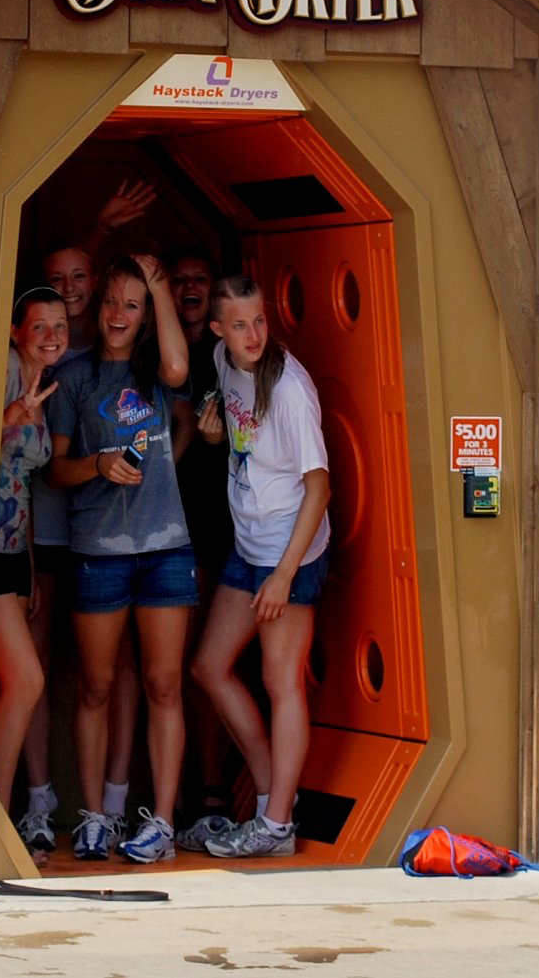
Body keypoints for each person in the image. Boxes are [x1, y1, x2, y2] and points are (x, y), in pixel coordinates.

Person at [47, 254, 194, 864]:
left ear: (147, 314)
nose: (117, 314)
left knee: (164, 684)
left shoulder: (155, 371)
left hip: (166, 546)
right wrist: (99, 464)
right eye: (111, 301)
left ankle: (162, 823)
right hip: (98, 550)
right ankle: (95, 817)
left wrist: (159, 285)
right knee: (96, 687)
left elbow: (180, 367)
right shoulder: (75, 376)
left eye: (132, 305)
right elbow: (55, 470)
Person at [189, 275, 332, 859]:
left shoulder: (290, 389)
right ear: (217, 329)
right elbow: (236, 430)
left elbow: (319, 489)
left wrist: (284, 576)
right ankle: (275, 795)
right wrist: (211, 430)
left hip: (289, 550)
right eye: (240, 324)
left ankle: (275, 826)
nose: (253, 335)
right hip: (248, 543)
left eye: (260, 321)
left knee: (281, 682)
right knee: (208, 666)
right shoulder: (223, 360)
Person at [0, 288, 63, 810]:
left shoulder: (41, 381)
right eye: (39, 326)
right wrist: (9, 416)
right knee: (27, 681)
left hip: (13, 552)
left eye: (60, 326)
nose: (52, 336)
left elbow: (22, 484)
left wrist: (29, 565)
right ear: (15, 332)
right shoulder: (4, 370)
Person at [164, 244, 239, 831]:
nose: (190, 287)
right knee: (164, 673)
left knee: (202, 665)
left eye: (200, 278)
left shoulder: (231, 357)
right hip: (155, 527)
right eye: (181, 278)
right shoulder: (155, 353)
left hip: (216, 528)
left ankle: (212, 789)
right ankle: (168, 798)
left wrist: (221, 441)